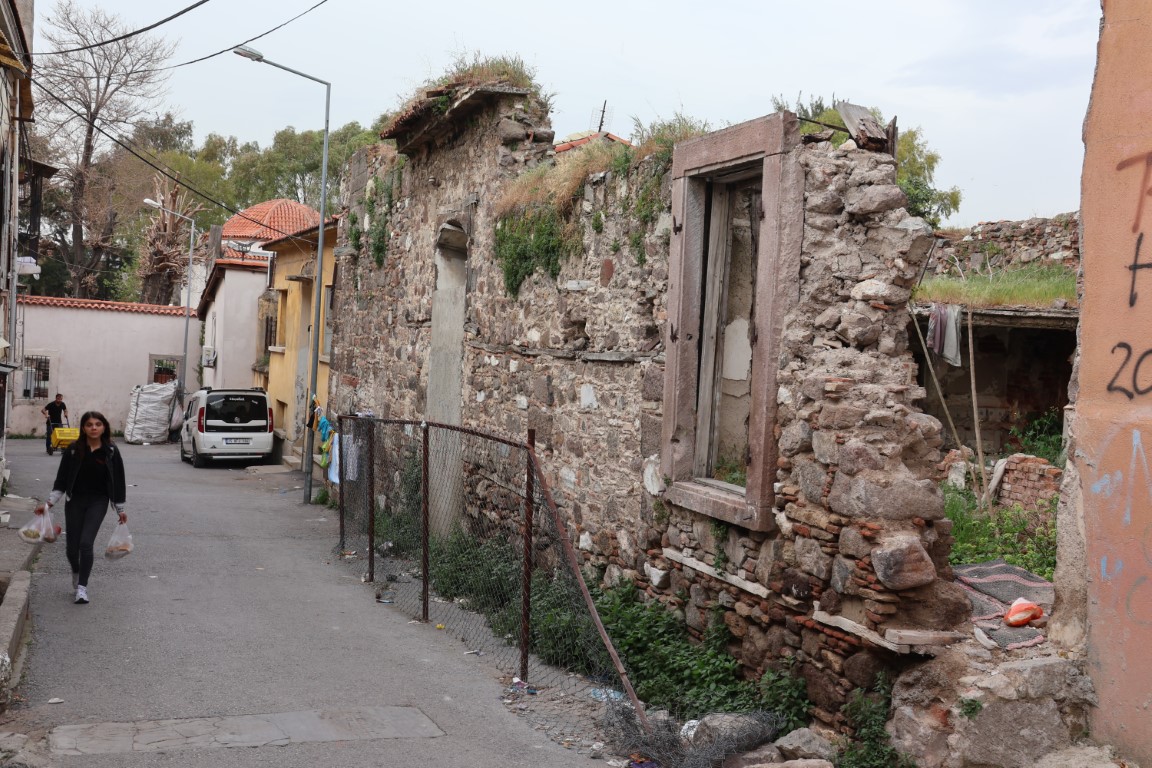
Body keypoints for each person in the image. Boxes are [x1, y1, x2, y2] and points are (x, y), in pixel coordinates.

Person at [34, 411, 127, 604]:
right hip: (74, 500)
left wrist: (120, 508)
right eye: (89, 424)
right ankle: (76, 571)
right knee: (71, 548)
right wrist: (49, 503)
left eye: (98, 424)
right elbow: (61, 479)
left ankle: (82, 588)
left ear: (104, 427)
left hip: (98, 502)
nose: (94, 428)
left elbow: (118, 480)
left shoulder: (110, 450)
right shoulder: (74, 450)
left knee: (86, 544)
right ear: (83, 428)